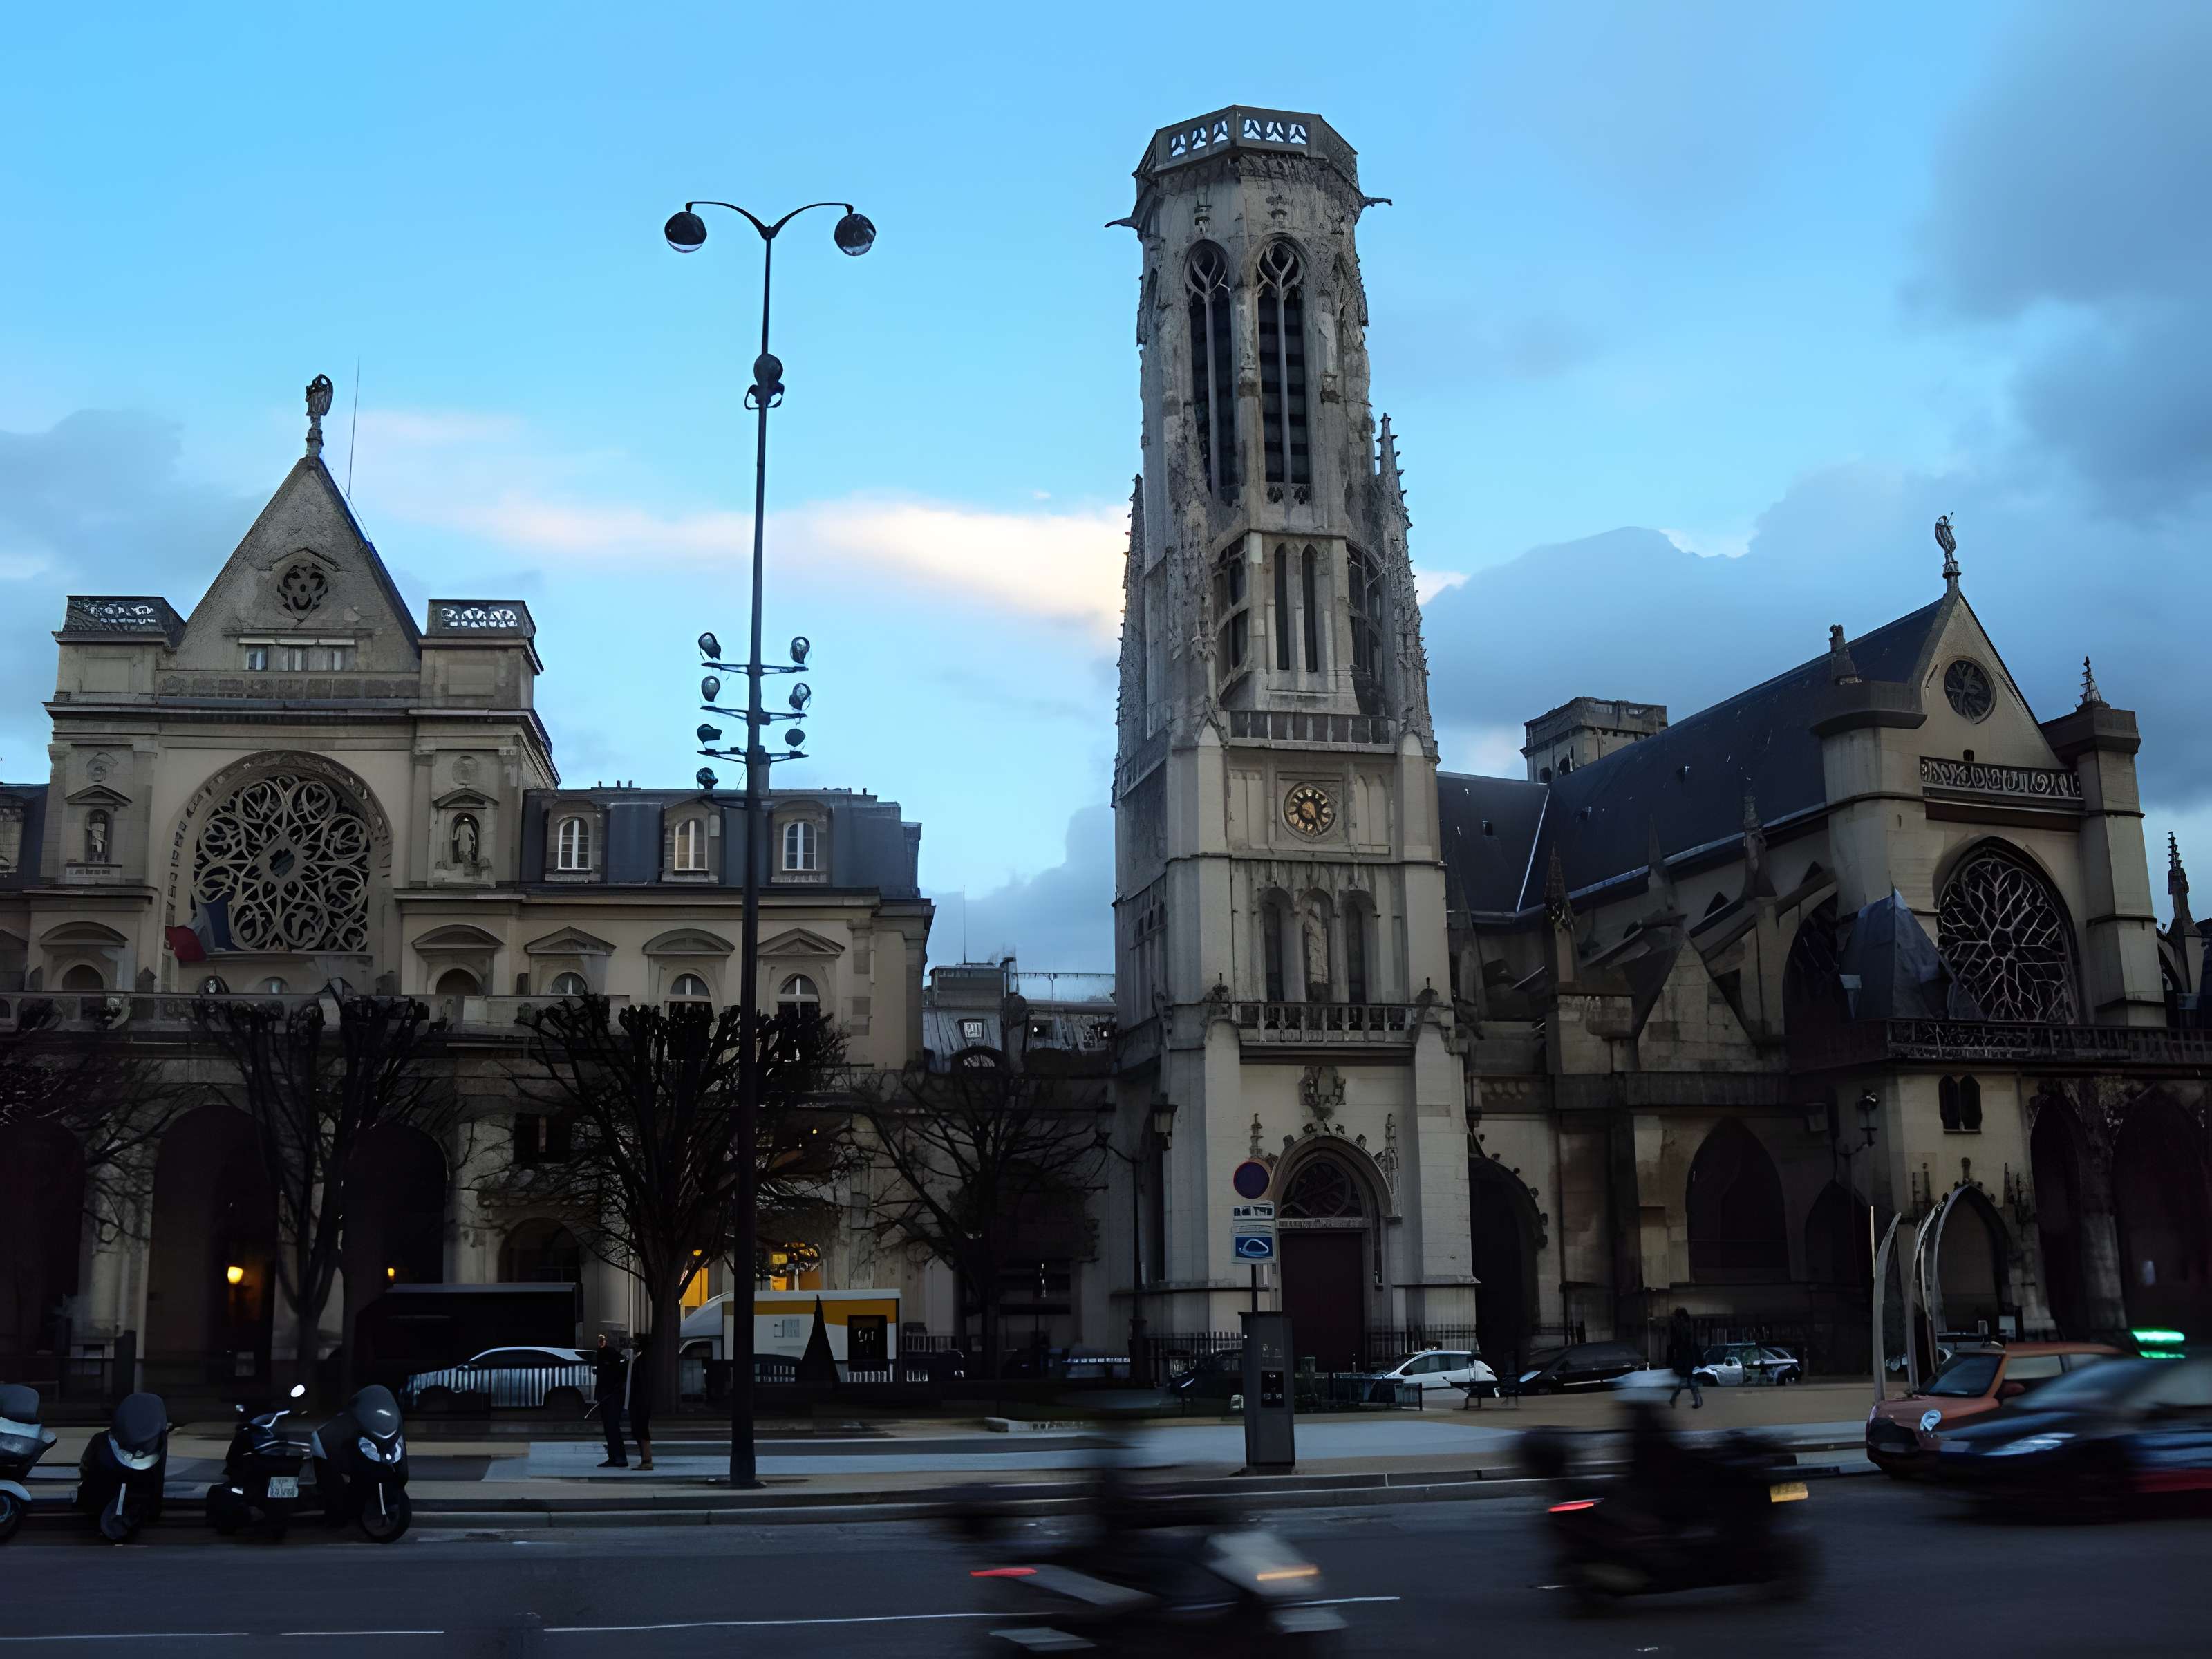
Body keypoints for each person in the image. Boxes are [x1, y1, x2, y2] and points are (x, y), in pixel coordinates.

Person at [592, 1331, 628, 1468]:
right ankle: (616, 1457)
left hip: (609, 1395)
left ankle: (617, 1458)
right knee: (611, 1428)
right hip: (609, 1395)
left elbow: (608, 1375)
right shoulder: (613, 1356)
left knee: (612, 1428)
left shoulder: (608, 1355)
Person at [628, 1329, 656, 1472]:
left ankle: (647, 1460)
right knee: (640, 1430)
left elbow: (641, 1382)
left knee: (641, 1430)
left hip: (641, 1400)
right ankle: (646, 1459)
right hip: (644, 1399)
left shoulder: (642, 1361)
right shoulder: (648, 1359)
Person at [1667, 1307, 1703, 1409]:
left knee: (1685, 1381)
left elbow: (1676, 1343)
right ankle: (1697, 1401)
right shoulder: (1685, 1325)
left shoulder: (1679, 1325)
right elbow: (1689, 1342)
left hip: (1683, 1356)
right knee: (1687, 1381)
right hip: (1686, 1356)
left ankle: (1674, 1399)